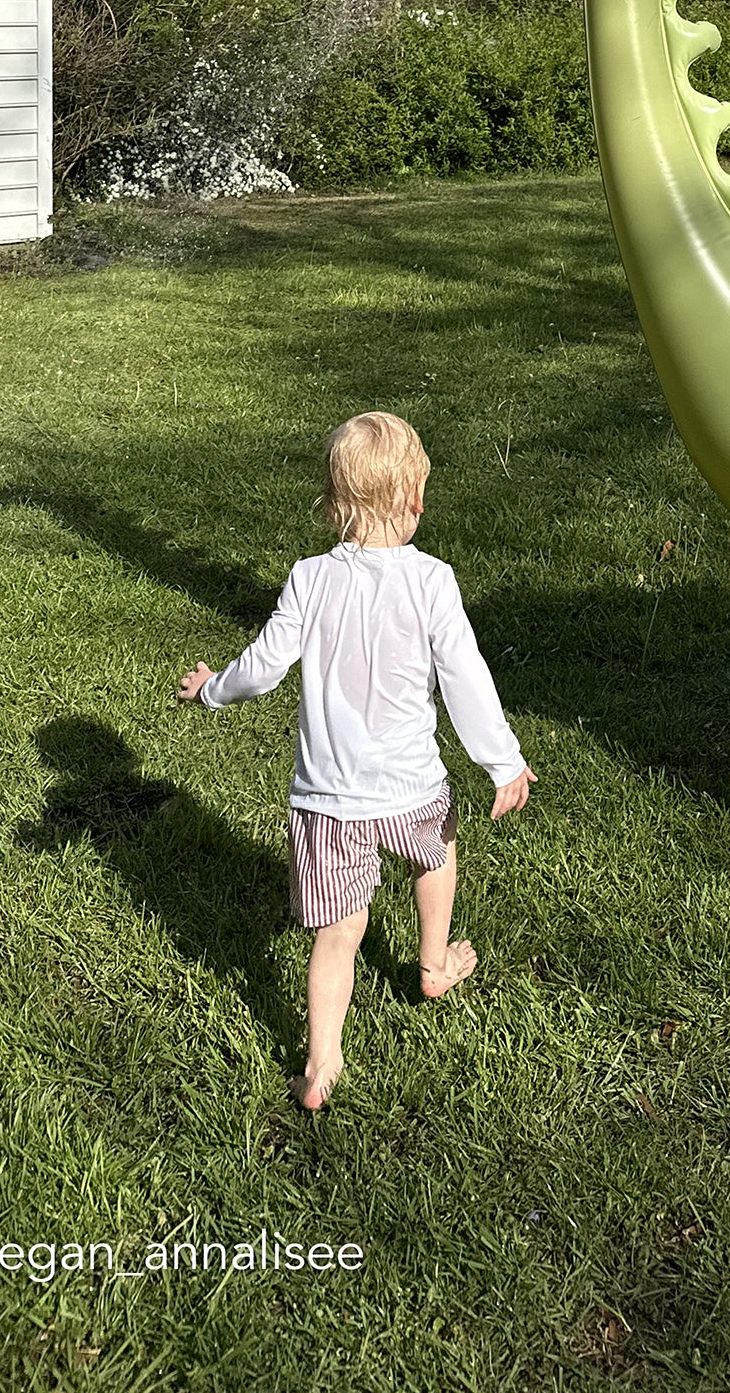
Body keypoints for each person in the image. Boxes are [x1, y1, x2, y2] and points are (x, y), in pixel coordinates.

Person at [176, 411, 535, 1110]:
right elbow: (466, 677)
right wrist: (502, 761)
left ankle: (321, 1065)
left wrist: (211, 689)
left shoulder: (310, 579)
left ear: (334, 504)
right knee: (437, 853)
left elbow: (263, 666)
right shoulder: (432, 581)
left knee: (338, 935)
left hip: (327, 801)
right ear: (417, 499)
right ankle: (433, 963)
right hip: (412, 790)